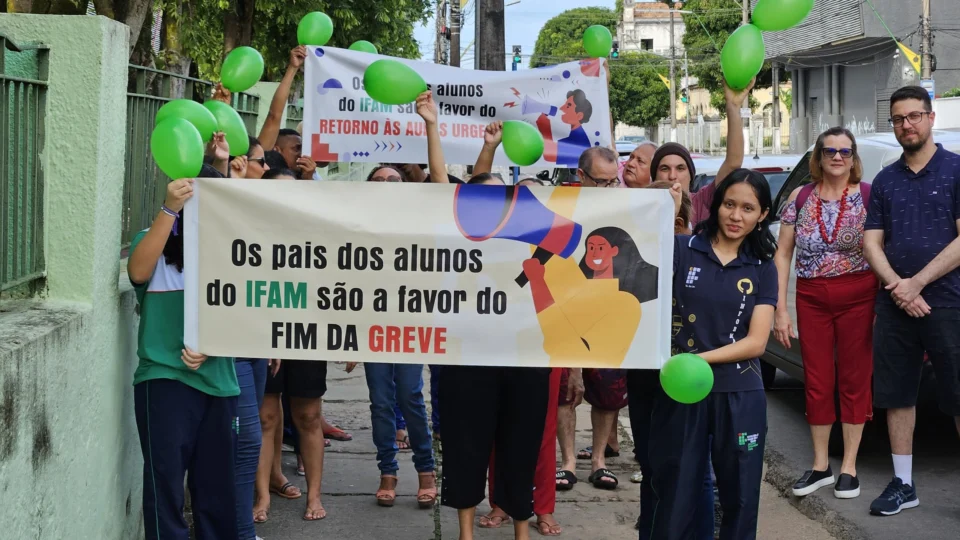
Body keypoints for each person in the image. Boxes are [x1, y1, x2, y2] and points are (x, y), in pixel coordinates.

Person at [629, 80, 754, 538]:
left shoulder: (704, 208)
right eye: (664, 168)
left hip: (691, 359)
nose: (673, 175)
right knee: (652, 458)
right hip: (647, 354)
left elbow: (734, 162)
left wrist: (734, 107)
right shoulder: (634, 210)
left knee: (693, 464)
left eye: (680, 167)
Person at [646, 168, 777, 540]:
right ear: (717, 204)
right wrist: (670, 211)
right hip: (682, 392)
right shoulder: (683, 248)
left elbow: (757, 343)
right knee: (676, 491)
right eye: (729, 204)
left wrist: (696, 361)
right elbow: (642, 265)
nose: (736, 216)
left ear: (762, 215)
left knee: (741, 495)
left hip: (740, 394)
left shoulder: (763, 267)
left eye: (748, 208)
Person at [862, 85, 960, 516]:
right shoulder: (885, 180)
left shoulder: (956, 170)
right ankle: (903, 483)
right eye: (898, 119)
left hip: (949, 302)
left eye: (914, 116)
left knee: (957, 394)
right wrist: (900, 289)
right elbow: (871, 243)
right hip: (895, 306)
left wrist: (916, 283)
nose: (907, 125)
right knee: (897, 394)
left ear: (931, 117)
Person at [127, 163, 240, 539]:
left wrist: (214, 344)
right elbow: (138, 272)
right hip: (164, 378)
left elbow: (249, 315)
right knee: (165, 486)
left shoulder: (234, 251)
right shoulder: (154, 242)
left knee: (217, 492)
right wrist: (169, 209)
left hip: (219, 382)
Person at [774, 127, 876, 500]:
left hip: (860, 295)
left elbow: (884, 249)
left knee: (854, 379)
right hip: (811, 296)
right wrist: (780, 309)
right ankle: (820, 466)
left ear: (853, 157)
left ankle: (849, 467)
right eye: (829, 151)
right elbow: (783, 254)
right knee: (817, 380)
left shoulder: (869, 196)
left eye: (844, 151)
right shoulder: (800, 197)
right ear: (818, 157)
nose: (837, 157)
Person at [535, 89, 595, 167]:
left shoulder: (579, 140)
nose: (561, 108)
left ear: (579, 116)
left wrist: (544, 129)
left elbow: (549, 155)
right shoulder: (576, 135)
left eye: (568, 105)